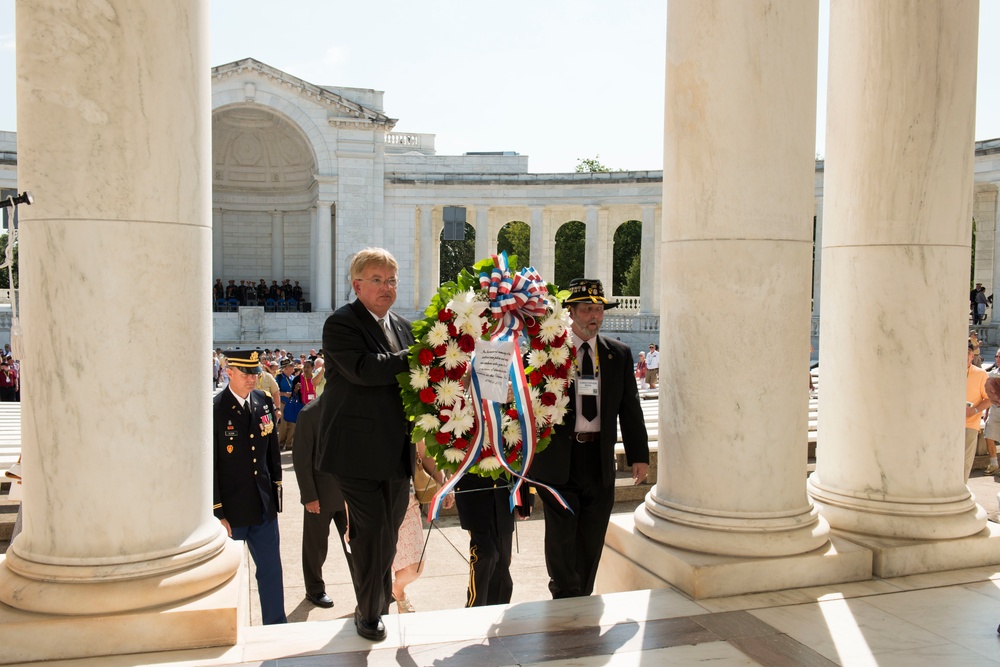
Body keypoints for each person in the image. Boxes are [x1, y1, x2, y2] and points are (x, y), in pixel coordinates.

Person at [530, 278, 649, 599]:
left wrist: (639, 455)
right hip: (559, 461)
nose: (594, 316)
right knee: (561, 535)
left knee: (592, 535)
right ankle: (564, 592)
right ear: (570, 311)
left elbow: (630, 408)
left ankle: (581, 594)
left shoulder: (618, 355)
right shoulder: (548, 351)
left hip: (598, 460)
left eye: (599, 309)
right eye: (587, 309)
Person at [318, 247, 414, 641]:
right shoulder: (341, 323)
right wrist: (421, 355)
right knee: (371, 533)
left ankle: (374, 600)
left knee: (388, 537)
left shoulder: (405, 327)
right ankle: (369, 611)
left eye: (391, 280)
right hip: (355, 453)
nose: (386, 287)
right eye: (377, 280)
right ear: (356, 285)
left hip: (395, 452)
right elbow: (364, 370)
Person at [212, 348, 286, 625]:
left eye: (255, 373)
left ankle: (276, 625)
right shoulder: (217, 409)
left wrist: (276, 490)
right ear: (229, 372)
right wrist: (218, 512)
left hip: (263, 505)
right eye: (246, 373)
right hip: (232, 511)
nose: (252, 379)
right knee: (229, 576)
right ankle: (230, 627)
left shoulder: (263, 402)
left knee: (270, 570)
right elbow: (213, 465)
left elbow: (271, 453)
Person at [292, 388, 352, 609]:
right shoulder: (309, 413)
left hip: (349, 495)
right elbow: (301, 459)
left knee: (356, 543)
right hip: (320, 495)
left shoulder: (353, 408)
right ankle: (315, 589)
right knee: (316, 547)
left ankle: (365, 587)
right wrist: (309, 496)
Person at [392, 441, 453, 614]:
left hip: (407, 499)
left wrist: (444, 485)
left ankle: (397, 589)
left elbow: (424, 454)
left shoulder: (411, 417)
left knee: (415, 567)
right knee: (377, 568)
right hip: (371, 501)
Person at [454, 473, 532, 607]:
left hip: (503, 494)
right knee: (486, 555)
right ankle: (474, 611)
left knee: (502, 565)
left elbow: (523, 455)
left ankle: (497, 614)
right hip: (473, 493)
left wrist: (526, 496)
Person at [966, 341, 990, 483]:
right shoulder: (947, 372)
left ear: (972, 356)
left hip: (970, 424)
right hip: (946, 423)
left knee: (964, 462)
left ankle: (960, 491)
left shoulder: (981, 374)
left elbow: (989, 399)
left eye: (968, 353)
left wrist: (974, 410)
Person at [276, 359, 299, 450]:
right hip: (283, 403)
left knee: (292, 424)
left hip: (292, 403)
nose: (293, 368)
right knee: (283, 425)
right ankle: (281, 443)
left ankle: (290, 444)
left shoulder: (293, 378)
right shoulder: (279, 378)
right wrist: (284, 394)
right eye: (291, 366)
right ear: (286, 368)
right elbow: (275, 391)